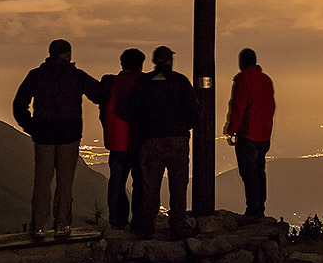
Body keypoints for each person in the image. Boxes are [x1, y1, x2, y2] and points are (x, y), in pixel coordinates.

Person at [12, 38, 106, 238]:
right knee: (65, 181)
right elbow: (98, 95)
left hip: (43, 135)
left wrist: (31, 126)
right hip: (69, 136)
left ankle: (38, 226)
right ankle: (61, 225)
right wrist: (110, 83)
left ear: (50, 54)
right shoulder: (75, 75)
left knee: (42, 181)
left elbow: (19, 104)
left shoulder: (36, 75)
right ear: (69, 54)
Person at [124, 45, 197, 240]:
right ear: (170, 61)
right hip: (177, 140)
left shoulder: (144, 83)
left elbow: (132, 111)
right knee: (179, 184)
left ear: (154, 61)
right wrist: (183, 128)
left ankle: (147, 227)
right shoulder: (180, 81)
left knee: (150, 186)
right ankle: (178, 226)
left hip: (151, 141)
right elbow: (193, 111)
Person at [224, 48, 276, 222]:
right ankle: (259, 207)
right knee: (259, 171)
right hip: (264, 135)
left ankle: (253, 210)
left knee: (249, 173)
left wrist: (231, 130)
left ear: (242, 62)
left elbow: (238, 107)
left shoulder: (244, 80)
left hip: (248, 135)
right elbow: (271, 106)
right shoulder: (266, 80)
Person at [98, 48, 146, 230]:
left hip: (116, 141)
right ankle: (139, 220)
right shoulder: (143, 83)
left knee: (117, 181)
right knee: (140, 182)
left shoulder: (112, 83)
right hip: (138, 140)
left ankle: (118, 220)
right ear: (140, 65)